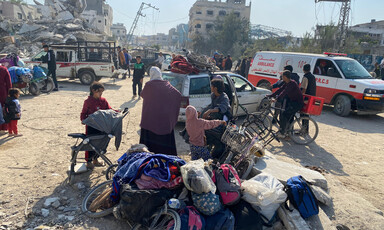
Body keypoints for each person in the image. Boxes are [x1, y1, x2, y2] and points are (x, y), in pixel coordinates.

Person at [140, 66, 181, 155]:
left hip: (150, 121)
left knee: (150, 148)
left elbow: (142, 95)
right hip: (165, 121)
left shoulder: (149, 85)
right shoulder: (167, 84)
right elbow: (177, 95)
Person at [80, 82, 112, 169]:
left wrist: (117, 112)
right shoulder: (88, 102)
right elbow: (84, 113)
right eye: (99, 91)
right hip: (91, 127)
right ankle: (89, 161)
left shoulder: (103, 100)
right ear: (93, 91)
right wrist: (83, 120)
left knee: (100, 143)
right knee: (90, 144)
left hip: (101, 126)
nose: (101, 93)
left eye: (102, 92)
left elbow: (109, 110)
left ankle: (96, 159)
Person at [269, 70, 304, 138]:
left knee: (284, 114)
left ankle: (283, 133)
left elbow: (284, 92)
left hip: (297, 104)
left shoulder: (292, 83)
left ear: (285, 76)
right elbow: (280, 90)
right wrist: (271, 95)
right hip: (292, 103)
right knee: (285, 115)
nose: (281, 77)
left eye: (282, 76)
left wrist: (276, 99)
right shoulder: (287, 83)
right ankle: (287, 132)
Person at [202, 78, 231, 158]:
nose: (210, 87)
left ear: (215, 88)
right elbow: (211, 106)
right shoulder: (213, 95)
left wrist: (210, 111)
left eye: (211, 86)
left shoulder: (224, 97)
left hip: (223, 120)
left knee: (219, 141)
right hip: (215, 118)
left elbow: (223, 109)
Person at [0, 65, 12, 133]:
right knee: (4, 109)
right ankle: (3, 128)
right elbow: (9, 83)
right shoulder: (3, 69)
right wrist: (9, 93)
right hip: (2, 92)